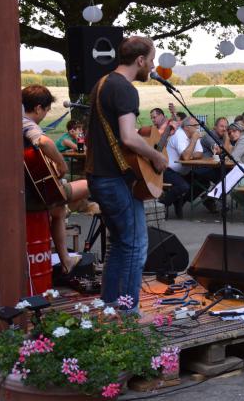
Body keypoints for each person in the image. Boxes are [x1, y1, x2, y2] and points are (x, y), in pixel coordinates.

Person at [85, 36, 168, 309]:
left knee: (119, 246)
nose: (153, 65)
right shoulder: (125, 89)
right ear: (140, 60)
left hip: (99, 176)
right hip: (114, 180)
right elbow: (129, 138)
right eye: (152, 59)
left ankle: (110, 308)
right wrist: (156, 156)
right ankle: (126, 313)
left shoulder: (102, 83)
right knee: (134, 246)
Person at [22, 85, 95, 274]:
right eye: (45, 111)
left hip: (32, 190)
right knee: (93, 182)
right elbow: (44, 142)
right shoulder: (27, 123)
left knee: (59, 210)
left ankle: (66, 261)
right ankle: (93, 209)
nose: (45, 115)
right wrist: (61, 165)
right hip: (35, 195)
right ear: (38, 108)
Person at [162, 116, 206, 217]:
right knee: (183, 186)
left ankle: (180, 202)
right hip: (168, 170)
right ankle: (162, 203)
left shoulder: (193, 134)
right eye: (195, 126)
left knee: (204, 183)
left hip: (184, 172)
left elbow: (200, 154)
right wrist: (193, 141)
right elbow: (186, 157)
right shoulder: (179, 135)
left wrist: (190, 154)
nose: (198, 128)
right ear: (186, 127)